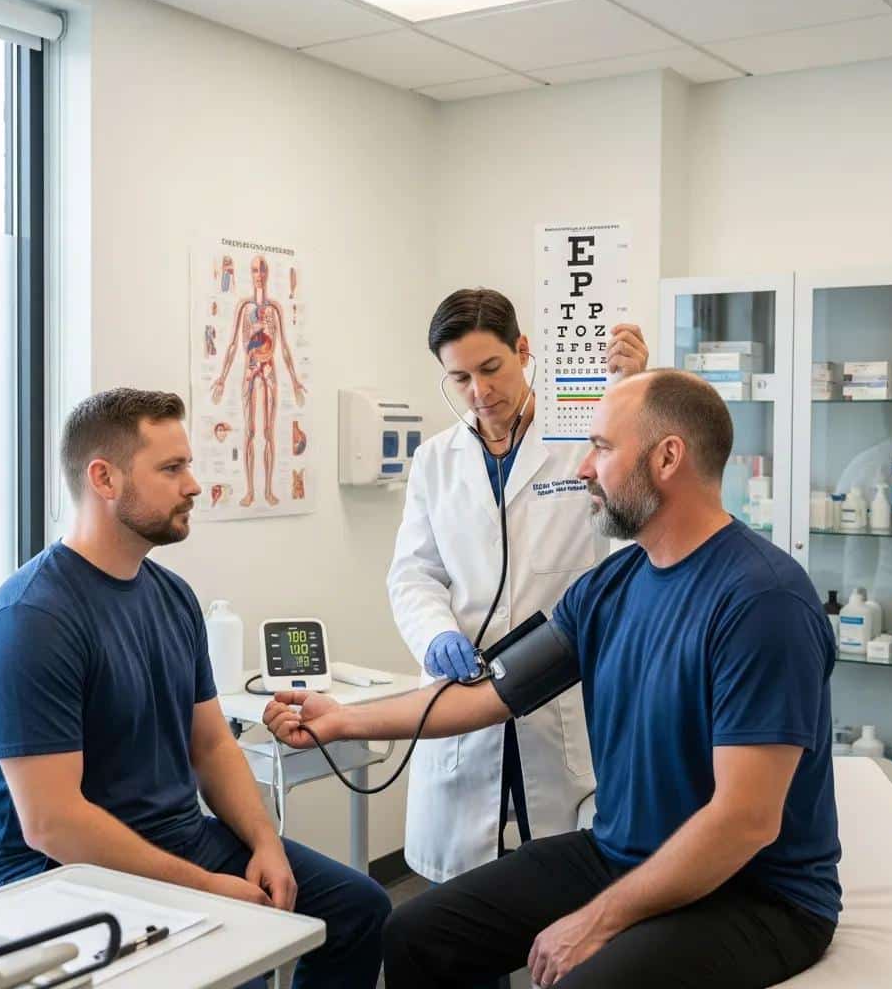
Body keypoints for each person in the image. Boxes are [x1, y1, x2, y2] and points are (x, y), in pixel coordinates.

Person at [267, 369, 841, 989]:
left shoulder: (763, 601)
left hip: (756, 894)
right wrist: (343, 718)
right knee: (417, 935)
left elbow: (744, 821)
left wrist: (594, 920)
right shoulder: (609, 589)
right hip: (623, 853)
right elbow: (490, 695)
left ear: (667, 457)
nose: (586, 470)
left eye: (601, 448)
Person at [0, 388, 389, 989]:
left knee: (359, 910)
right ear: (104, 479)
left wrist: (265, 842)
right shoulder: (30, 624)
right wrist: (211, 891)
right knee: (239, 960)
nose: (194, 485)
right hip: (51, 875)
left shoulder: (172, 597)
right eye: (172, 468)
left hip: (173, 838)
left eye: (188, 464)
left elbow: (212, 745)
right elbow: (53, 824)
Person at [387, 288, 647, 903]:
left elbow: (636, 533)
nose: (479, 391)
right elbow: (413, 574)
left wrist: (634, 391)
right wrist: (436, 635)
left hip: (559, 704)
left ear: (523, 351)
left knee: (563, 904)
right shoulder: (434, 462)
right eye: (460, 377)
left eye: (491, 368)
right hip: (464, 699)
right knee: (460, 916)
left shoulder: (585, 440)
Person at [211, 255, 306, 507]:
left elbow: (284, 345)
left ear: (268, 272)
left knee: (268, 432)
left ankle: (268, 490)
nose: (259, 274)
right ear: (250, 273)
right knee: (250, 431)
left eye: (263, 269)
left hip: (269, 367)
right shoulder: (244, 307)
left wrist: (295, 380)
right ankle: (251, 491)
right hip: (250, 368)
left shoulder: (275, 308)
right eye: (255, 269)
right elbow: (232, 344)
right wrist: (221, 377)